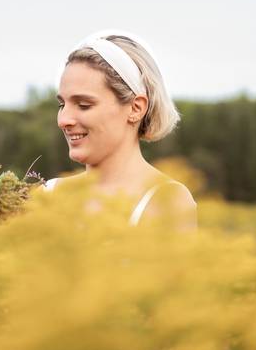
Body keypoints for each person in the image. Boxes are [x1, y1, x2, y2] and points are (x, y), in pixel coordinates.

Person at [49, 33, 197, 229]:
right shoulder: (46, 195)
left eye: (84, 105)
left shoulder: (167, 201)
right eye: (62, 104)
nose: (63, 120)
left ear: (136, 108)